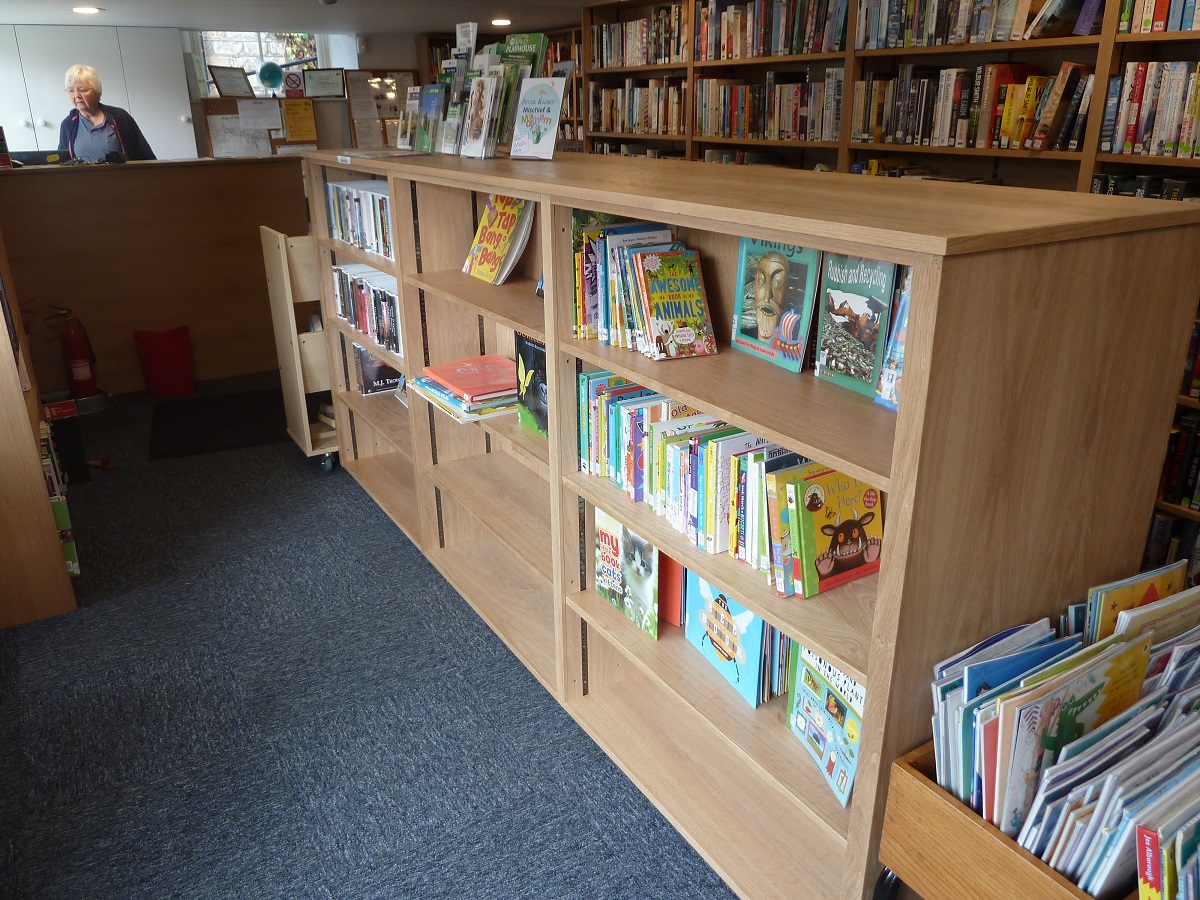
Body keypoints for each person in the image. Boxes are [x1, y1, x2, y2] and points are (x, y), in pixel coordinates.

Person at [58, 64, 155, 162]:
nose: (76, 95)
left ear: (96, 91)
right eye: (71, 90)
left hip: (123, 176)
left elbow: (146, 156)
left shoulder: (120, 117)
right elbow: (62, 162)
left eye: (82, 90)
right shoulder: (68, 124)